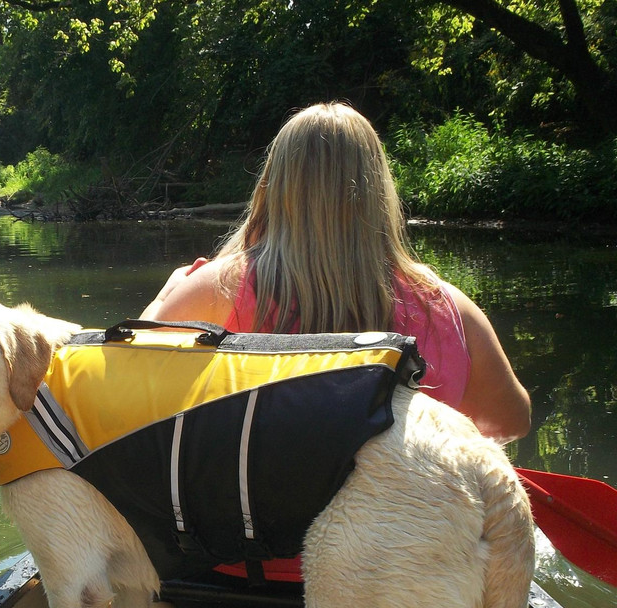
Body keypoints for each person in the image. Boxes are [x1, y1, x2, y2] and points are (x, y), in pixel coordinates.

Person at [141, 102, 531, 444]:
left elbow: (127, 392)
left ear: (274, 187)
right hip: (405, 522)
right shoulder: (447, 307)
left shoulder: (214, 290)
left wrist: (164, 298)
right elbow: (511, 421)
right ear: (379, 192)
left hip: (267, 521)